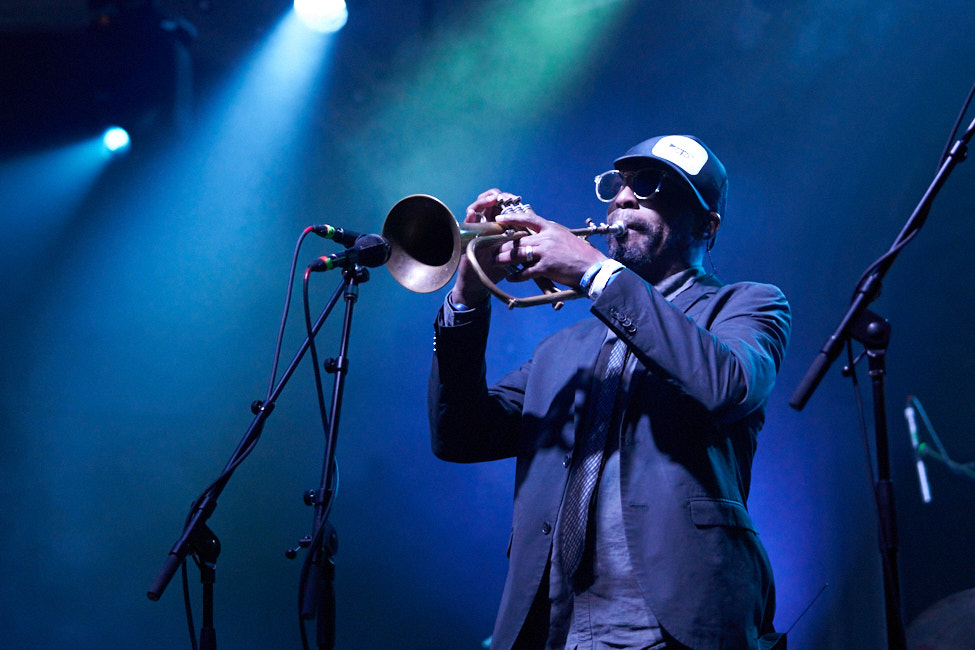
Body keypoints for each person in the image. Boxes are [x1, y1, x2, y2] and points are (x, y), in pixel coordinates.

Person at [428, 134, 791, 649]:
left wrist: (595, 271)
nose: (623, 198)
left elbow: (726, 384)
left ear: (707, 225)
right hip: (554, 629)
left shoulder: (746, 306)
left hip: (677, 624)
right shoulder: (562, 349)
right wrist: (467, 294)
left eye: (652, 187)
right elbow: (458, 436)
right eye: (619, 186)